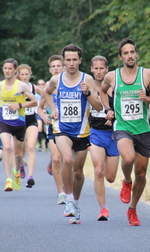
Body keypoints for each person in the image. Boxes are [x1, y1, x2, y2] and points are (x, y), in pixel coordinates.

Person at [100, 38, 150, 226]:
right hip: (122, 127)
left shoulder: (147, 75)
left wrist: (148, 99)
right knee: (127, 158)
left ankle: (133, 209)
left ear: (136, 54)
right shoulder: (113, 77)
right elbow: (102, 91)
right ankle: (127, 181)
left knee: (142, 174)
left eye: (132, 52)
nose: (130, 56)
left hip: (143, 129)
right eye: (126, 53)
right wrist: (107, 109)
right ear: (121, 57)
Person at [44, 46, 102, 224]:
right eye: (67, 60)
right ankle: (68, 199)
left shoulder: (87, 79)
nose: (71, 63)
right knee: (67, 160)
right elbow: (46, 92)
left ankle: (75, 202)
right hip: (61, 128)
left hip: (82, 131)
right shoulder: (57, 79)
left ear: (80, 61)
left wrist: (88, 93)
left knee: (78, 172)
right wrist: (53, 109)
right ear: (63, 61)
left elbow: (99, 107)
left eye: (74, 60)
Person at [0, 58, 37, 191]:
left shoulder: (22, 86)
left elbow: (34, 102)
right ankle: (8, 179)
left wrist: (19, 105)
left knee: (18, 153)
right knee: (7, 147)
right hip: (3, 121)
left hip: (19, 122)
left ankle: (16, 171)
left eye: (10, 69)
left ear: (15, 71)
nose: (7, 71)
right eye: (5, 68)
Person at [89, 56, 120, 221]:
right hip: (96, 133)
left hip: (113, 134)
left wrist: (113, 116)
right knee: (98, 170)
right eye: (96, 68)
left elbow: (121, 108)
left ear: (106, 69)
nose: (99, 71)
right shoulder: (88, 87)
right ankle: (103, 209)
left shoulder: (114, 87)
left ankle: (124, 181)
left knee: (110, 177)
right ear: (92, 69)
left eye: (102, 68)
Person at [38, 55, 66, 205]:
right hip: (53, 126)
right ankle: (61, 193)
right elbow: (40, 108)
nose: (56, 68)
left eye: (58, 66)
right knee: (57, 159)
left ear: (63, 68)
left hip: (70, 127)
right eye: (53, 66)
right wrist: (44, 117)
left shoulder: (69, 84)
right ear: (50, 69)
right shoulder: (47, 88)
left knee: (68, 160)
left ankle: (70, 189)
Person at [16, 64, 43, 188]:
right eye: (22, 74)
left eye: (27, 74)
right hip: (19, 120)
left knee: (31, 146)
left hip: (31, 119)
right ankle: (21, 165)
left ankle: (30, 177)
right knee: (20, 150)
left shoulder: (34, 87)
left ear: (30, 75)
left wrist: (45, 108)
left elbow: (46, 95)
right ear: (18, 75)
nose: (25, 77)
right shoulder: (14, 87)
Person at [36, 79, 48, 152]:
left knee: (45, 129)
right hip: (37, 114)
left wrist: (45, 109)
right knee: (39, 128)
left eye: (42, 84)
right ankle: (40, 145)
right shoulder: (35, 94)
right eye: (39, 84)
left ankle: (46, 143)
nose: (41, 86)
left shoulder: (47, 92)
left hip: (46, 112)